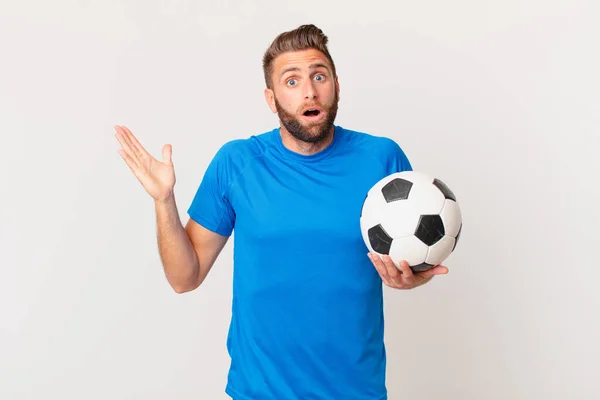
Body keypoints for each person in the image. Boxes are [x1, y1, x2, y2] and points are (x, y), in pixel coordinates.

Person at [115, 24, 448, 400]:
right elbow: (183, 277)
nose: (309, 90)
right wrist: (164, 201)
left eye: (319, 76)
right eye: (292, 81)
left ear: (336, 84)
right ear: (271, 99)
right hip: (259, 392)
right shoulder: (236, 163)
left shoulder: (381, 159)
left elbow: (411, 256)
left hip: (356, 391)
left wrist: (412, 278)